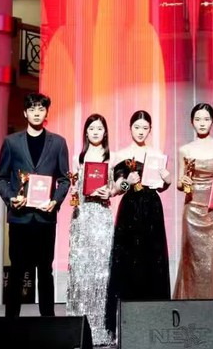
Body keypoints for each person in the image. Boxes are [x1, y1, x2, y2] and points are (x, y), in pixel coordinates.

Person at [0, 92, 71, 317]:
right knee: (17, 271)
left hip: (45, 217)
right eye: (32, 109)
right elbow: (1, 178)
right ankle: (11, 322)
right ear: (25, 113)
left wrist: (55, 201)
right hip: (20, 217)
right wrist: (11, 198)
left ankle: (48, 321)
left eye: (41, 109)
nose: (37, 113)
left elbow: (64, 179)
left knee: (45, 271)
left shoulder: (58, 143)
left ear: (46, 113)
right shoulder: (11, 142)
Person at [105, 110, 171, 336]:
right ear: (130, 128)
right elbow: (115, 190)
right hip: (130, 209)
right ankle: (128, 320)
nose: (141, 131)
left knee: (152, 259)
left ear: (150, 130)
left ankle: (154, 318)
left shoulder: (156, 154)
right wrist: (127, 182)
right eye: (137, 127)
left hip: (152, 209)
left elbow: (161, 186)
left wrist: (167, 179)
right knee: (129, 260)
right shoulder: (121, 154)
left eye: (145, 128)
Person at [173, 103, 213, 299]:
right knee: (191, 261)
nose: (202, 123)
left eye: (206, 119)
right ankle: (189, 306)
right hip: (192, 210)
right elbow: (179, 184)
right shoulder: (185, 150)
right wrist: (183, 182)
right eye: (198, 119)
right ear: (192, 122)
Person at [67, 114, 115, 346]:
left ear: (105, 132)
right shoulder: (78, 157)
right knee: (81, 270)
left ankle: (102, 330)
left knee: (102, 271)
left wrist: (111, 191)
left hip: (102, 216)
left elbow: (117, 186)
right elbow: (74, 184)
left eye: (99, 128)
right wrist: (73, 192)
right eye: (92, 128)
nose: (95, 132)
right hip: (82, 216)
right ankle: (78, 328)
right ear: (86, 132)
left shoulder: (112, 157)